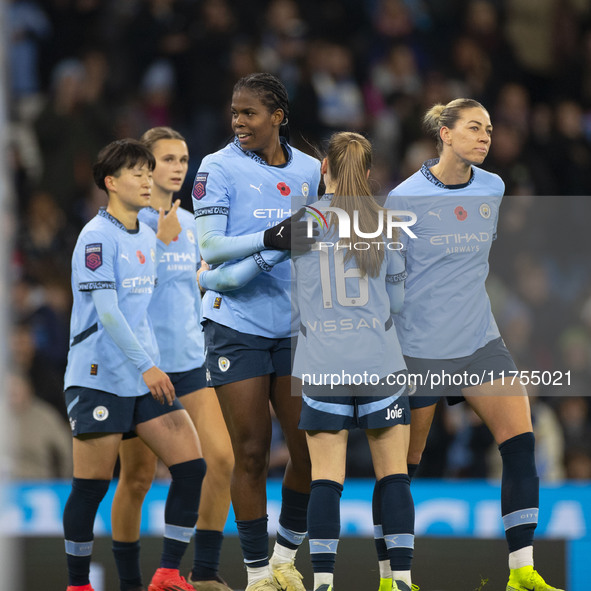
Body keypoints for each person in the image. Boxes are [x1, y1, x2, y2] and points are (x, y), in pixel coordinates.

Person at [379, 98, 563, 591]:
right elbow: (390, 281)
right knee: (402, 467)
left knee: (521, 443)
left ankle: (522, 570)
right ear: (445, 132)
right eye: (474, 128)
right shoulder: (403, 198)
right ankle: (391, 578)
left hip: (479, 341)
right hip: (418, 349)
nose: (485, 137)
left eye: (489, 128)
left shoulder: (494, 186)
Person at [192, 72, 321, 591]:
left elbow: (316, 239)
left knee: (309, 450)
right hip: (235, 323)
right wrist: (274, 238)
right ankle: (258, 573)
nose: (238, 122)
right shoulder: (216, 168)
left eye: (249, 113)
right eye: (234, 112)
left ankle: (286, 558)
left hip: (295, 326)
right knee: (250, 450)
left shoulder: (312, 170)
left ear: (278, 117)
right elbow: (213, 248)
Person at [62, 139, 205, 591]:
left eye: (149, 172)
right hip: (98, 377)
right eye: (137, 173)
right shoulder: (95, 237)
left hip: (143, 379)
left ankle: (165, 573)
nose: (147, 181)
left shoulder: (146, 234)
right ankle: (78, 584)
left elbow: (150, 299)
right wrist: (149, 365)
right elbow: (108, 312)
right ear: (111, 182)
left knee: (192, 466)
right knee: (91, 487)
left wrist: (164, 247)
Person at [110, 127, 234, 591]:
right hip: (143, 368)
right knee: (138, 477)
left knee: (221, 460)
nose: (179, 167)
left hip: (189, 363)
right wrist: (159, 242)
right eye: (168, 159)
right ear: (145, 166)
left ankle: (201, 573)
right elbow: (120, 296)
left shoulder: (197, 223)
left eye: (184, 159)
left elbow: (197, 286)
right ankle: (128, 582)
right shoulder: (130, 223)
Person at [292, 132, 416, 591]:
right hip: (379, 362)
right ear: (368, 174)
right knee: (394, 474)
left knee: (326, 479)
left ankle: (323, 581)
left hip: (323, 363)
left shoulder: (303, 222)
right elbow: (399, 302)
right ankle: (399, 579)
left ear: (323, 169)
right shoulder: (387, 222)